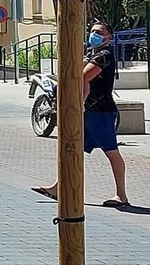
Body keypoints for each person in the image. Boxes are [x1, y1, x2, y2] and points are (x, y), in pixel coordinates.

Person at [37, 21, 130, 206]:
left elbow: (81, 76)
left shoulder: (104, 56)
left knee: (111, 151)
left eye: (98, 32)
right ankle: (58, 187)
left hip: (101, 112)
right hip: (86, 111)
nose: (93, 35)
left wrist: (79, 65)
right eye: (92, 31)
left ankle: (121, 195)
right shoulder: (91, 53)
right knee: (72, 148)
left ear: (108, 37)